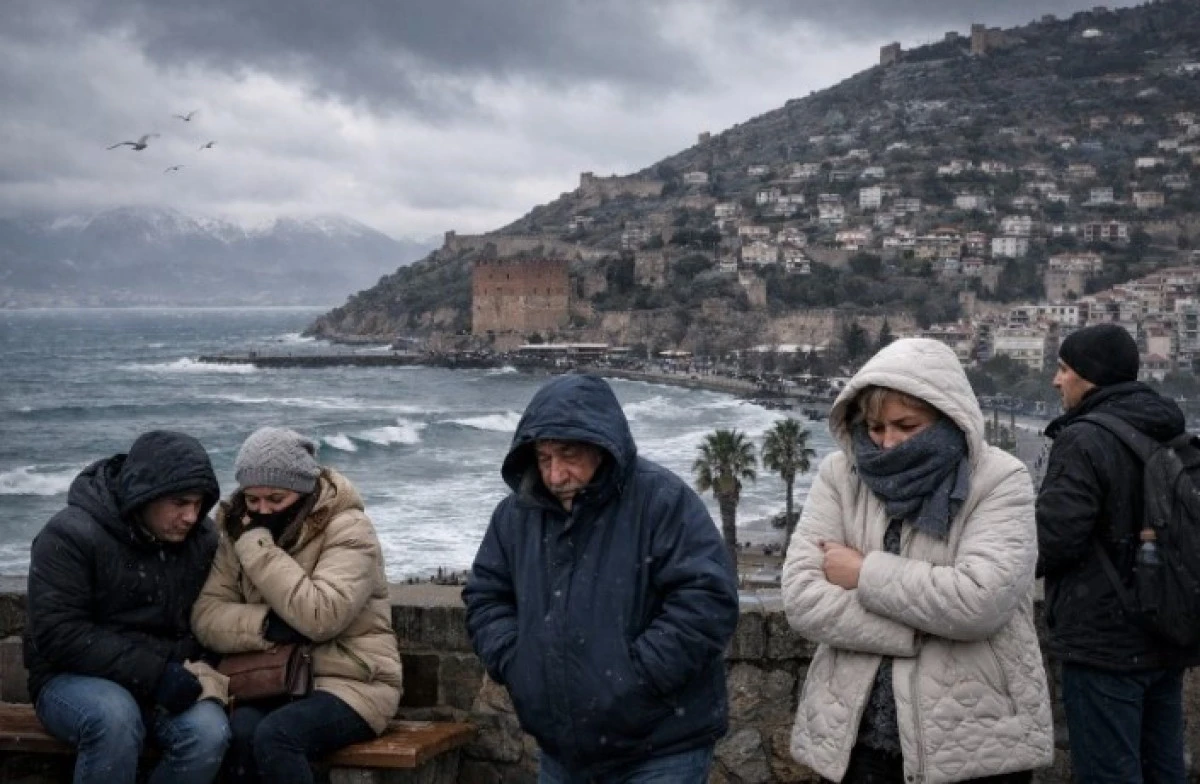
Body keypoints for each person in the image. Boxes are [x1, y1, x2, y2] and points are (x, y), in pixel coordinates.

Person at [782, 338, 1053, 784]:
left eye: (906, 426)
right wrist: (921, 626)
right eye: (875, 427)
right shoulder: (840, 475)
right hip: (859, 740)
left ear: (948, 416)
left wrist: (862, 573)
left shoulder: (1000, 480)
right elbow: (802, 599)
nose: (888, 444)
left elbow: (978, 603)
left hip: (974, 744)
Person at [464, 373, 739, 783]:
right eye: (543, 459)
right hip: (563, 752)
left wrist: (637, 679)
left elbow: (707, 599)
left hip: (661, 747)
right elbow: (487, 595)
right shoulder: (515, 517)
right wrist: (516, 661)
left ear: (603, 447)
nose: (555, 475)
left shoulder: (662, 502)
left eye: (568, 455)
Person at [191, 427, 402, 784]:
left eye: (275, 498)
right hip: (270, 678)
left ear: (304, 491)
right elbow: (206, 615)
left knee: (278, 737)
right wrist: (266, 626)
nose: (262, 510)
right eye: (253, 499)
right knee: (238, 735)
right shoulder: (236, 529)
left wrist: (258, 548)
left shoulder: (349, 528)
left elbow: (321, 616)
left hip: (351, 682)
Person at [1036, 323, 1198, 783]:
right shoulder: (1169, 430)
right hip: (1166, 630)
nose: (1056, 379)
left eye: (1064, 369)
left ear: (1091, 376)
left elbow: (1054, 539)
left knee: (1109, 772)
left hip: (1104, 642)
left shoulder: (1083, 439)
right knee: (1165, 769)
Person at [25, 430, 230, 784]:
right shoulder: (70, 535)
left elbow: (208, 616)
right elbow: (59, 633)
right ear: (144, 494)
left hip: (165, 678)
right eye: (180, 503)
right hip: (70, 678)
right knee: (114, 719)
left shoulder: (202, 540)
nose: (191, 517)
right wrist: (156, 673)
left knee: (209, 733)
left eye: (198, 504)